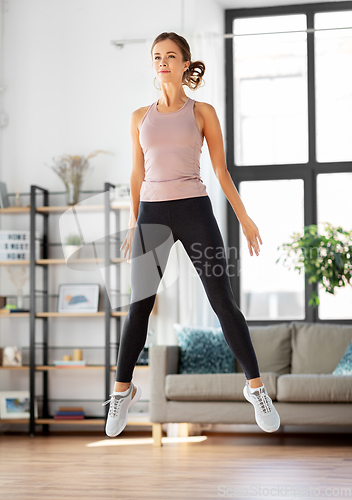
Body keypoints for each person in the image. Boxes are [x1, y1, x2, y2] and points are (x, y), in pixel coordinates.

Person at [102, 31, 280, 437]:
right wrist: (134, 223)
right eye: (156, 56)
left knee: (223, 302)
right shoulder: (138, 118)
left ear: (185, 63)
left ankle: (255, 389)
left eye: (169, 56)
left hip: (194, 209)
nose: (162, 62)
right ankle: (121, 392)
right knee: (138, 306)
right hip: (152, 214)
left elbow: (221, 172)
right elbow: (136, 174)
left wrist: (245, 218)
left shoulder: (203, 112)